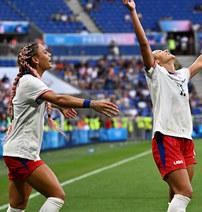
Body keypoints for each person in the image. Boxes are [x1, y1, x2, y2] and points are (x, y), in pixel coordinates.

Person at [122, 0, 202, 211]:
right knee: (186, 192)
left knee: (176, 194)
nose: (164, 50)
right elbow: (144, 44)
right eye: (160, 51)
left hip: (186, 139)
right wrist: (133, 11)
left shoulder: (181, 75)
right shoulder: (155, 74)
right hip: (166, 137)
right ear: (157, 61)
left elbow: (200, 62)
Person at [3, 42, 119, 212]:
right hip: (22, 154)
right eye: (45, 52)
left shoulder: (29, 81)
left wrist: (59, 106)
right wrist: (91, 103)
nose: (49, 54)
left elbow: (47, 101)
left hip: (17, 152)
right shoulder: (30, 82)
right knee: (57, 196)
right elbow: (58, 98)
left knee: (17, 206)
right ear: (35, 59)